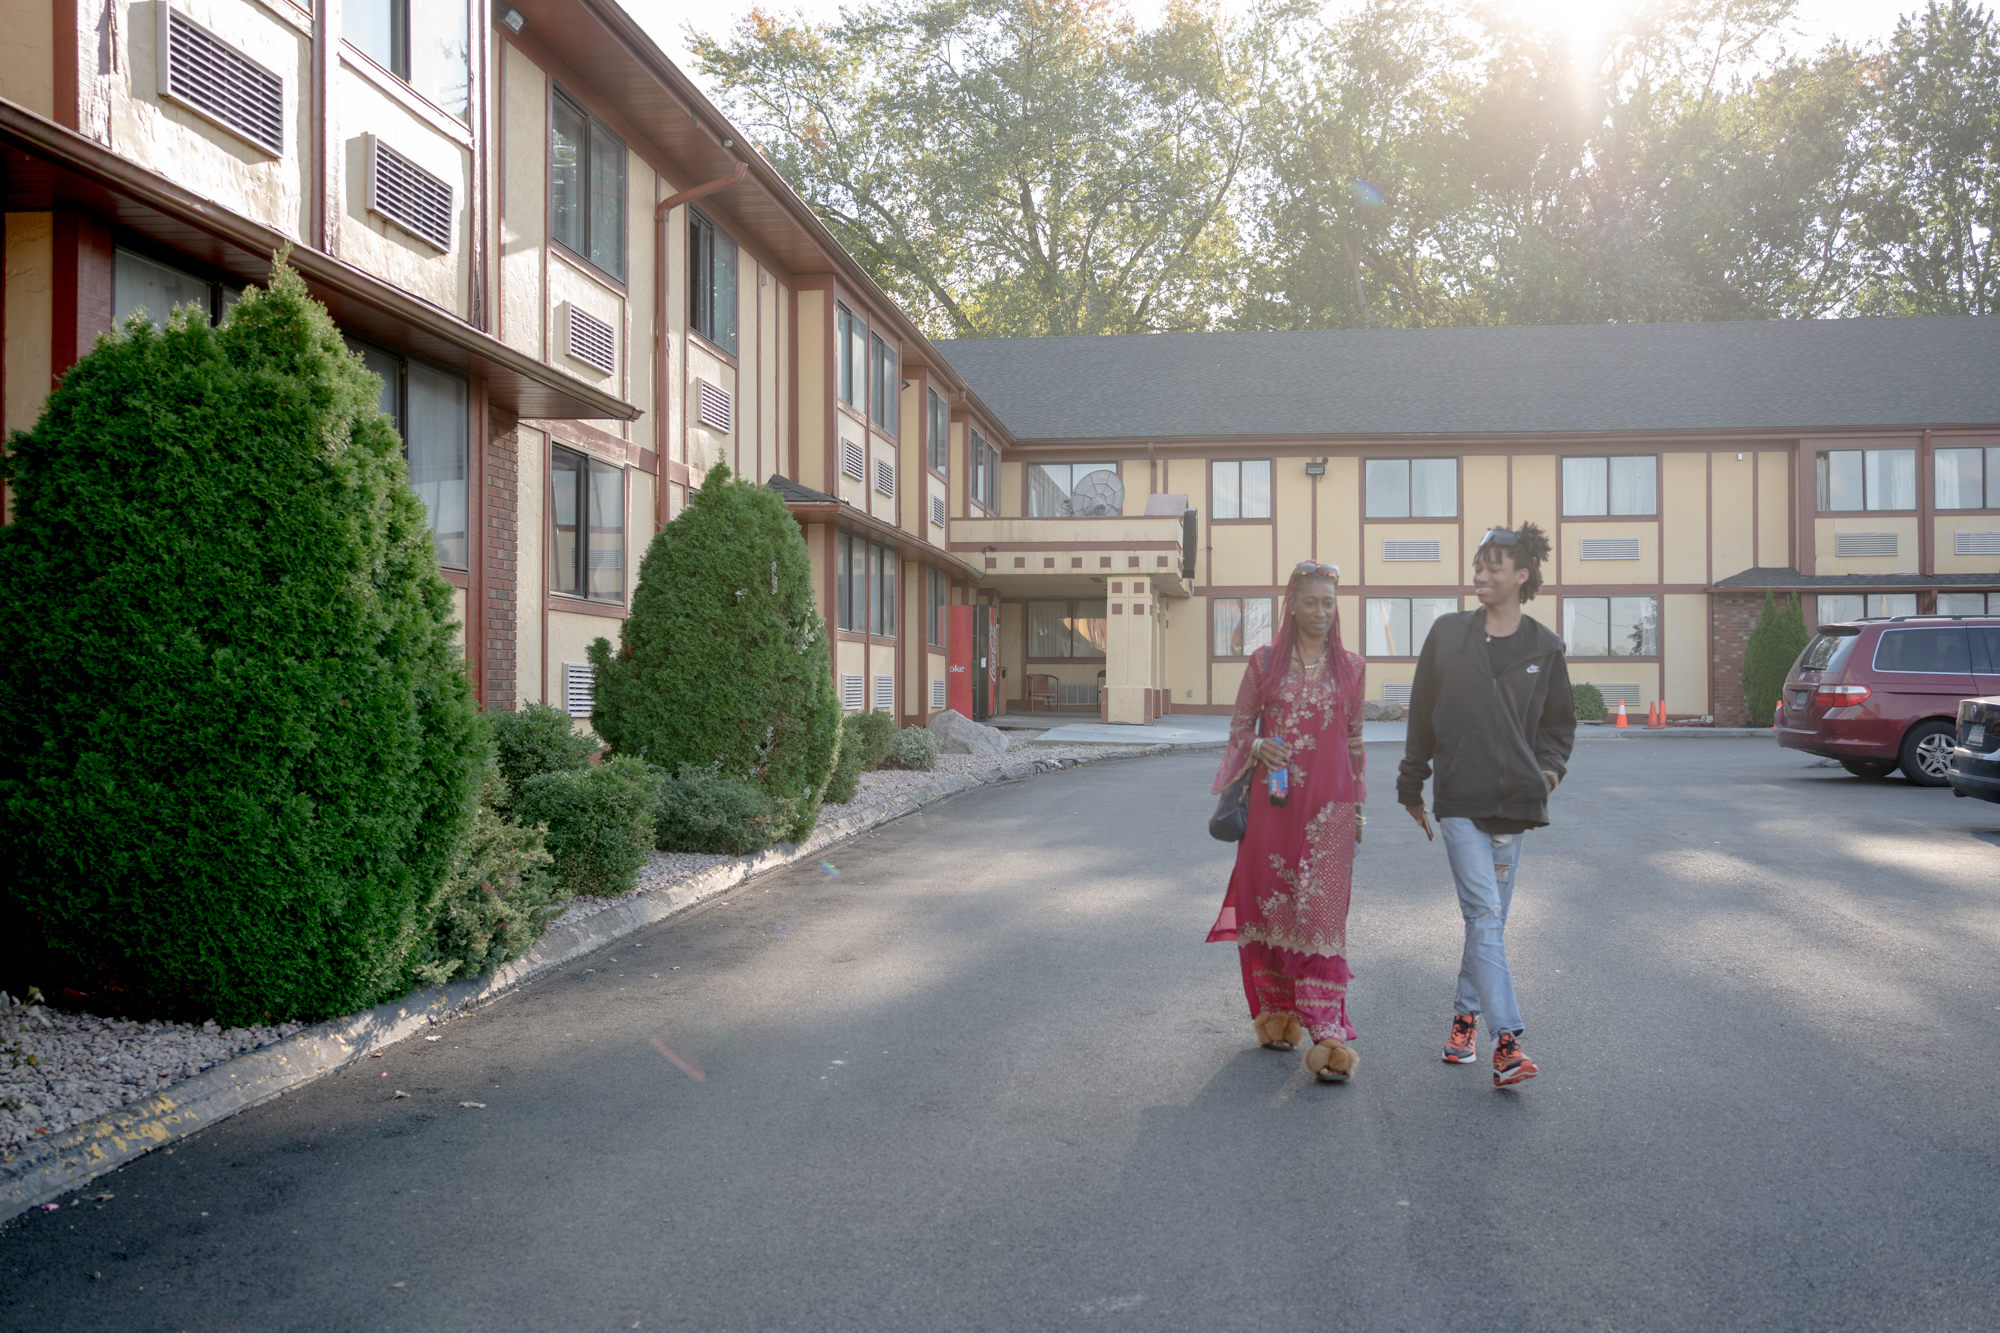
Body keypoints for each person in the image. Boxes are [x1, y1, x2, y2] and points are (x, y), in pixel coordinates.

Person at [1397, 523, 1575, 1087]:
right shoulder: (1448, 634)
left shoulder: (1545, 647)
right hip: (1459, 798)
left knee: (1488, 925)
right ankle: (1508, 1043)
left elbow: (1558, 723)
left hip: (1518, 804)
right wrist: (1411, 784)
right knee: (1484, 914)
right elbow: (1422, 711)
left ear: (1521, 576)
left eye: (1494, 566)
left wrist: (1548, 772)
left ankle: (1463, 1021)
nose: (1481, 575)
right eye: (1478, 565)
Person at [1208, 561, 1367, 1083]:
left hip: (1332, 811)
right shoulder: (1264, 662)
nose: (1322, 612)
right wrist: (1256, 744)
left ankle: (1328, 1034)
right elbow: (1237, 728)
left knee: (1322, 920)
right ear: (1292, 605)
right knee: (1273, 905)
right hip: (1273, 808)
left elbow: (1356, 742)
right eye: (1312, 602)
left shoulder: (1353, 667)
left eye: (1329, 602)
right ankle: (1277, 1015)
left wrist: (1359, 806)